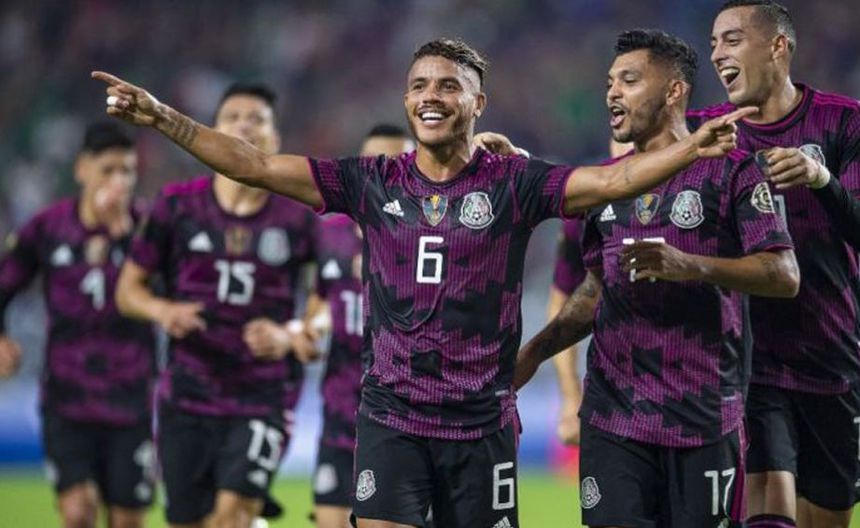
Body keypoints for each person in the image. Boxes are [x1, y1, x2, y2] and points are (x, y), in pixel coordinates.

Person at [93, 37, 752, 528]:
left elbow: (614, 180)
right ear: (406, 99)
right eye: (418, 85)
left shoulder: (515, 182)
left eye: (447, 86)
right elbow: (257, 166)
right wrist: (165, 119)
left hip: (482, 424)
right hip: (393, 418)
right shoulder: (370, 181)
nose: (430, 96)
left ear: (478, 102)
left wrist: (691, 148)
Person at [515, 29, 799, 527]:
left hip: (703, 417)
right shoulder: (605, 185)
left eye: (629, 80)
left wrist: (692, 265)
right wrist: (534, 352)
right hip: (614, 418)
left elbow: (783, 274)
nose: (612, 93)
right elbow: (595, 290)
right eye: (610, 82)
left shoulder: (733, 172)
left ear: (673, 91)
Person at [114, 82, 318, 528]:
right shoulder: (176, 206)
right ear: (213, 133)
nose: (244, 126)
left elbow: (328, 296)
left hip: (264, 395)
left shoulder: (299, 218)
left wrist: (291, 334)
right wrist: (163, 311)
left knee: (231, 519)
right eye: (233, 118)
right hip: (186, 395)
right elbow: (127, 291)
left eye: (257, 119)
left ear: (275, 138)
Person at [690, 2, 860, 526]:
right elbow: (628, 164)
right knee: (767, 498)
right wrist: (518, 163)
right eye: (714, 43)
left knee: (826, 515)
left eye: (732, 40)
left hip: (831, 355)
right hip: (748, 361)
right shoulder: (704, 131)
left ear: (778, 47)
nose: (717, 54)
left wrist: (820, 178)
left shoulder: (843, 121)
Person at [0, 122, 156, 528]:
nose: (119, 182)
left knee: (128, 521)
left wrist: (129, 242)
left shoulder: (149, 229)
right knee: (77, 512)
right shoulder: (48, 228)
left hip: (132, 399)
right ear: (81, 169)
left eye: (127, 171)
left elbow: (175, 294)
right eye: (108, 170)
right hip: (67, 399)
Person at [308, 124, 414, 528]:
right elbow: (321, 301)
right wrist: (312, 329)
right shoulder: (328, 234)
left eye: (396, 162)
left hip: (401, 415)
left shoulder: (429, 235)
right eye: (374, 162)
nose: (383, 171)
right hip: (340, 412)